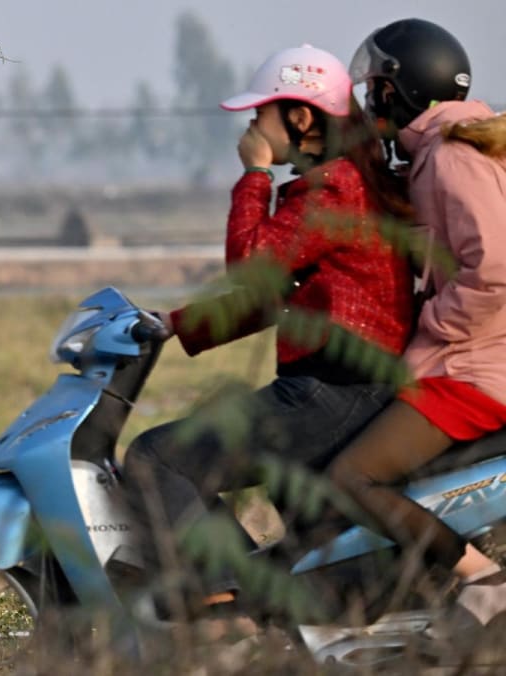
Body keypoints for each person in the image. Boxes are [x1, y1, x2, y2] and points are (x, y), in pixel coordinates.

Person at [122, 44, 415, 619]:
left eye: (260, 116)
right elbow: (274, 293)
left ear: (300, 117)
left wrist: (254, 173)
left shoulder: (335, 188)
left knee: (159, 460)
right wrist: (172, 326)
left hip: (334, 391)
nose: (252, 128)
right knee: (306, 553)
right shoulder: (343, 182)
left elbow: (252, 265)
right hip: (341, 388)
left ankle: (226, 601)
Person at [326, 18, 506, 636]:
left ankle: (482, 578)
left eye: (375, 89)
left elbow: (497, 267)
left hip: (475, 371)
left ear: (402, 91)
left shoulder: (453, 157)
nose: (370, 101)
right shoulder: (446, 150)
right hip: (476, 361)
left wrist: (433, 323)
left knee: (353, 477)